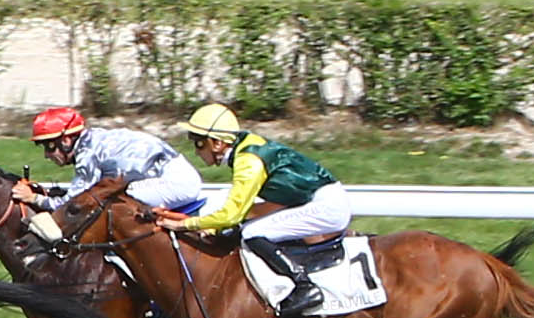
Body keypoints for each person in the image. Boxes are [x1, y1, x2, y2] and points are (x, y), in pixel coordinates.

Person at [175, 102, 360, 298]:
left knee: (253, 233)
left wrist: (187, 224)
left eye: (198, 142)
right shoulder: (246, 146)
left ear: (218, 143)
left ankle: (303, 286)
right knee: (247, 227)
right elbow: (266, 206)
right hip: (318, 200)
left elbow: (231, 215)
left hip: (325, 207)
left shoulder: (248, 161)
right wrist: (213, 227)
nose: (196, 151)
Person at [23, 101, 212, 220]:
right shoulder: (92, 139)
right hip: (177, 174)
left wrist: (35, 199)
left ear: (66, 140)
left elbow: (72, 203)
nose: (47, 155)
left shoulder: (87, 153)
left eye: (49, 146)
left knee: (105, 204)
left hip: (175, 183)